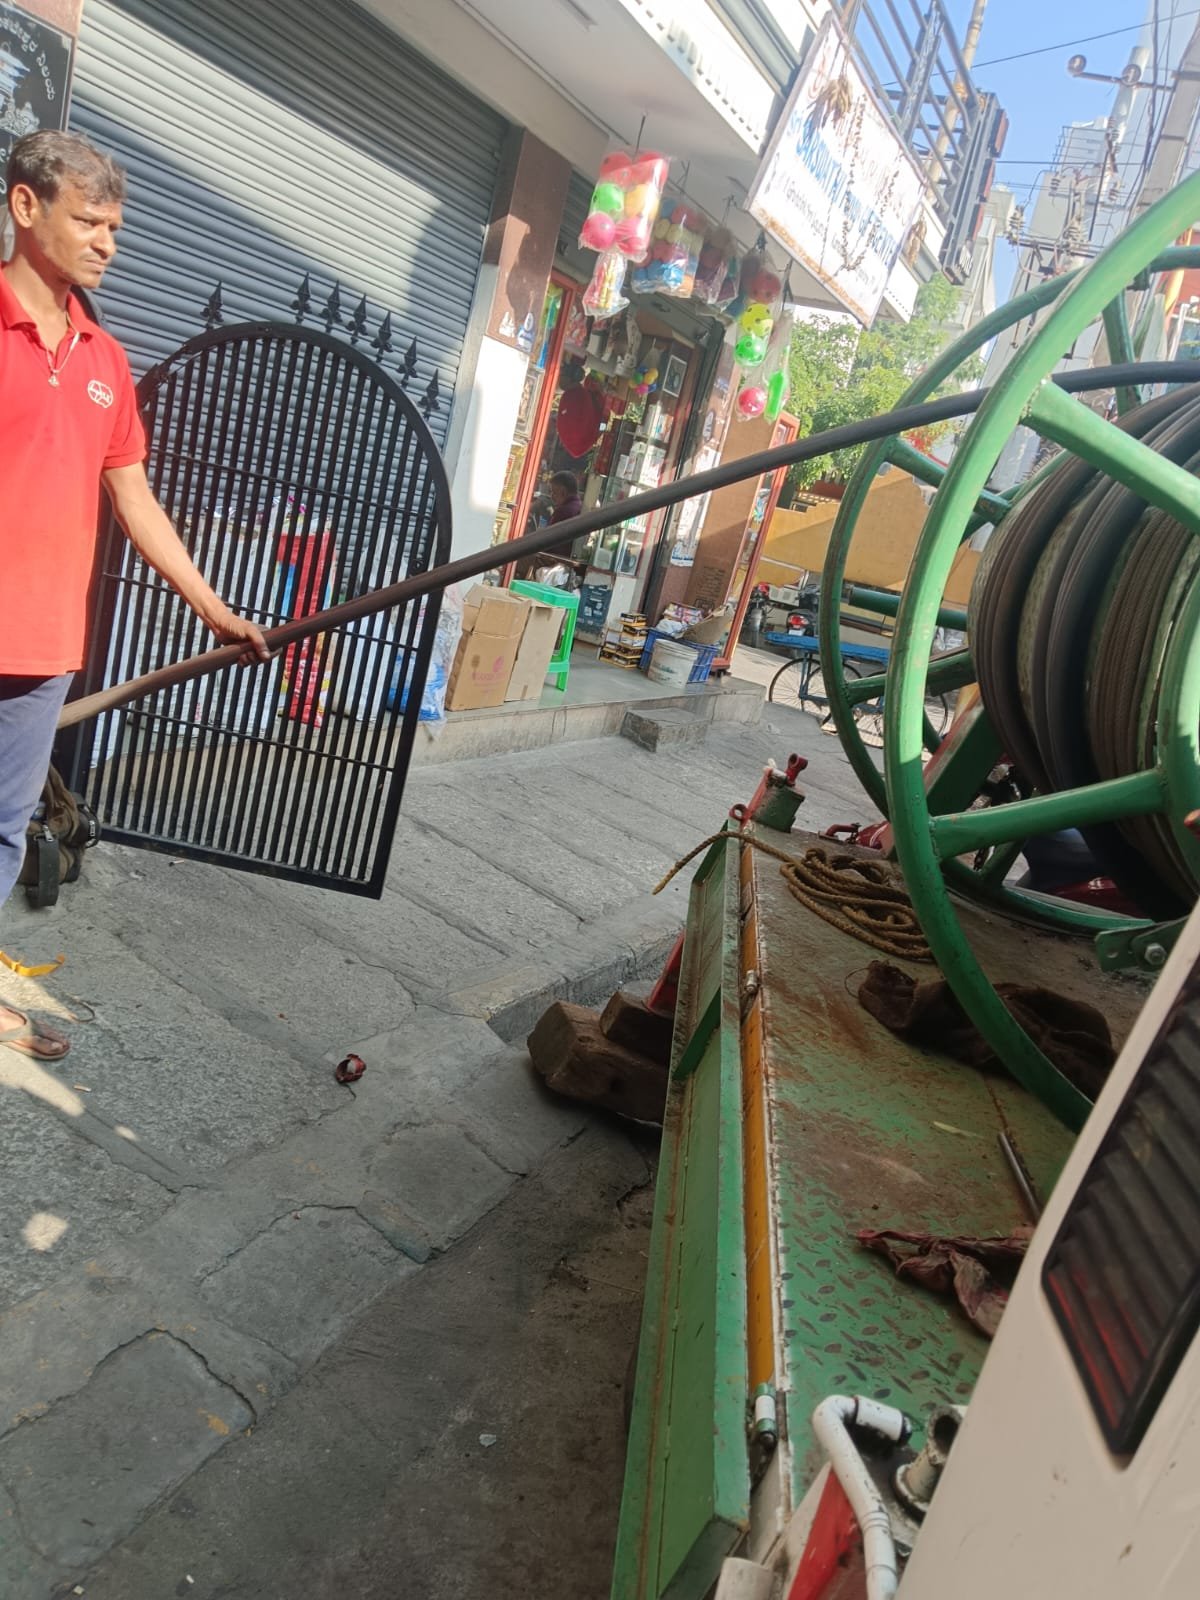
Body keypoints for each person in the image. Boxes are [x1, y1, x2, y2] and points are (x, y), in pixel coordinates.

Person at [0, 130, 269, 1063]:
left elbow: (135, 498)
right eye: (89, 222)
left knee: (3, 832)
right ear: (26, 207)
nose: (108, 244)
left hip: (43, 646)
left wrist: (212, 607)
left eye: (116, 227)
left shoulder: (105, 361)